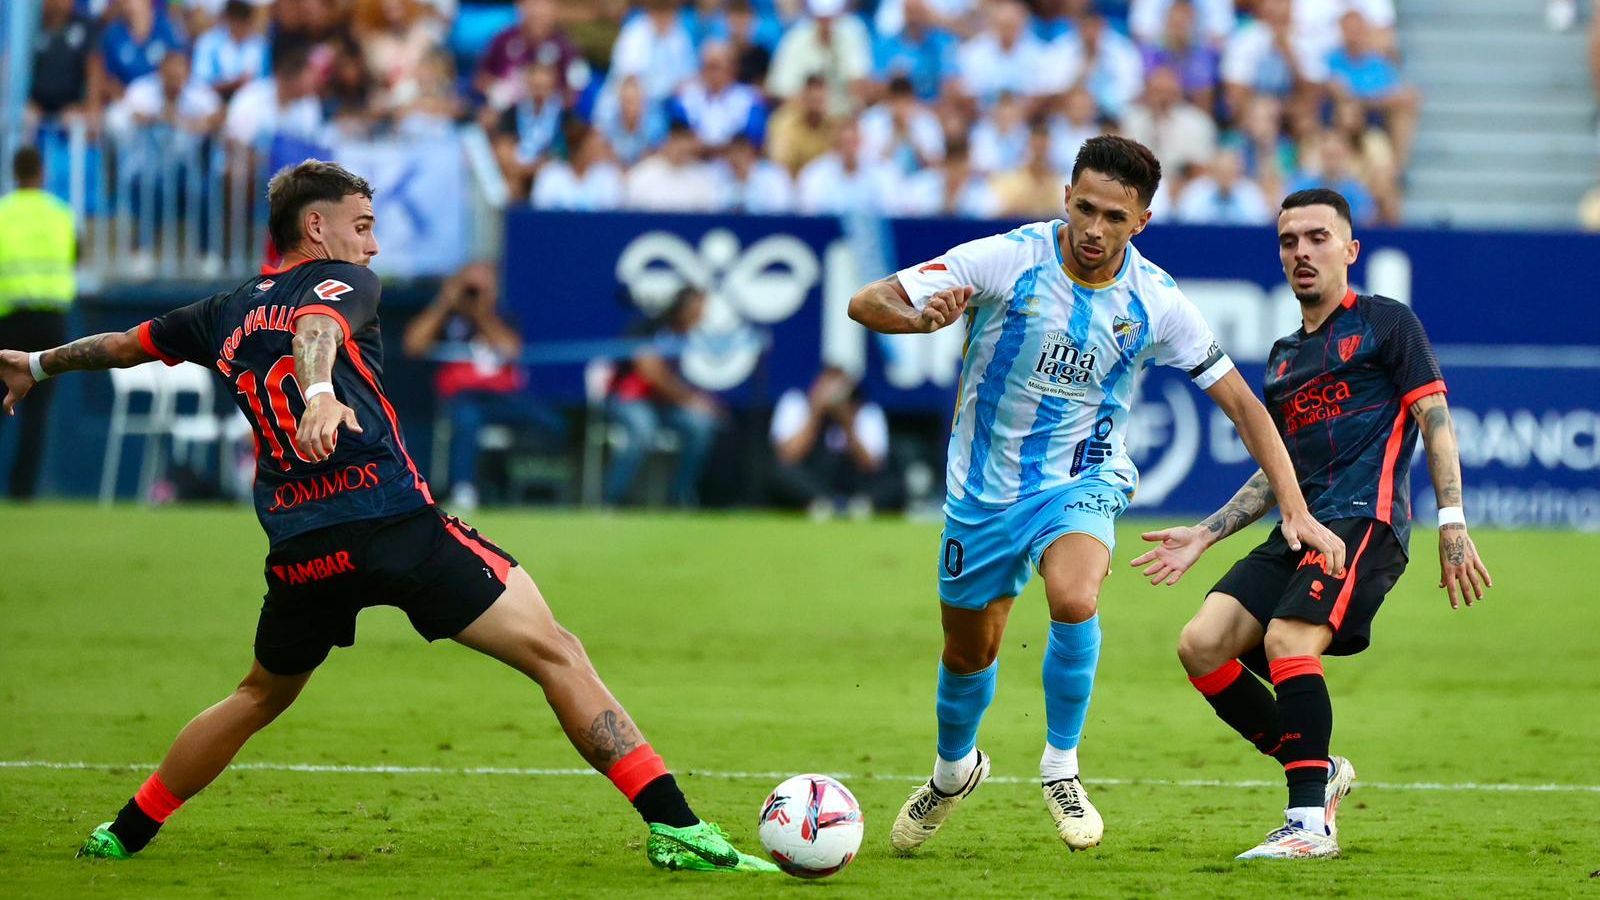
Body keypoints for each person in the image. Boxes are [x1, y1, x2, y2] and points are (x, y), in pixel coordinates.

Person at [0, 160, 772, 873]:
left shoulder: (221, 311)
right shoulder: (340, 284)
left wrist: (34, 365)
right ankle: (676, 827)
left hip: (302, 545)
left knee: (259, 695)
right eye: (363, 225)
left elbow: (121, 346)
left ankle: (123, 834)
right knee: (557, 652)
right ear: (318, 230)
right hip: (392, 523)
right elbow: (314, 332)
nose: (372, 244)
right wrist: (322, 393)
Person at [847, 135, 1345, 855]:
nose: (1094, 230)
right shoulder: (1006, 259)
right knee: (968, 651)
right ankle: (954, 771)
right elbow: (871, 301)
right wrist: (920, 319)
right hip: (980, 494)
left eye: (1114, 216)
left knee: (1075, 597)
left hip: (1082, 479)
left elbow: (1243, 405)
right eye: (1084, 208)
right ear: (1065, 198)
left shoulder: (1156, 299)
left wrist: (1294, 508)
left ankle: (1061, 767)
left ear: (1141, 220)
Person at [1131, 188, 1493, 860]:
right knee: (1202, 644)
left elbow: (1434, 422)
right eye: (1289, 240)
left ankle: (1307, 825)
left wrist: (1452, 520)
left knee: (1288, 638)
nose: (1302, 251)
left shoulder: (1389, 324)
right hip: (1301, 528)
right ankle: (1318, 770)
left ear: (1350, 250)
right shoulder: (1281, 360)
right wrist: (1206, 532)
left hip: (1367, 521)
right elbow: (1279, 470)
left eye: (1318, 237)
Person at [401, 260, 568, 511]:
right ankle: (464, 489)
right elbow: (412, 345)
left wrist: (482, 312)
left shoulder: (502, 316)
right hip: (463, 396)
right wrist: (445, 302)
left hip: (502, 397)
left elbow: (511, 350)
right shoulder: (448, 320)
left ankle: (535, 488)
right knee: (467, 419)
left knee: (551, 421)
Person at [0, 149, 77, 500]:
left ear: (14, 172)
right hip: (50, 322)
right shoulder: (60, 214)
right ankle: (23, 491)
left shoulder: (4, 213)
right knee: (38, 413)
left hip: (8, 320)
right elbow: (77, 253)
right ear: (42, 172)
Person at [603, 287, 721, 507]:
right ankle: (612, 500)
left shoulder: (685, 337)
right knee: (643, 428)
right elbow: (651, 372)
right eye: (699, 308)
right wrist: (691, 401)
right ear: (684, 308)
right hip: (628, 399)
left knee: (700, 427)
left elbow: (675, 380)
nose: (703, 314)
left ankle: (679, 498)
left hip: (662, 405)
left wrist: (697, 401)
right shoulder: (650, 328)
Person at [769, 366, 898, 518]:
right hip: (813, 480)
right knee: (780, 473)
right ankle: (825, 502)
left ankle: (856, 506)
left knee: (893, 482)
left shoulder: (866, 412)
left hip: (853, 483)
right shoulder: (796, 403)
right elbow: (789, 456)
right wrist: (816, 413)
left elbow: (871, 465)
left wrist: (848, 424)